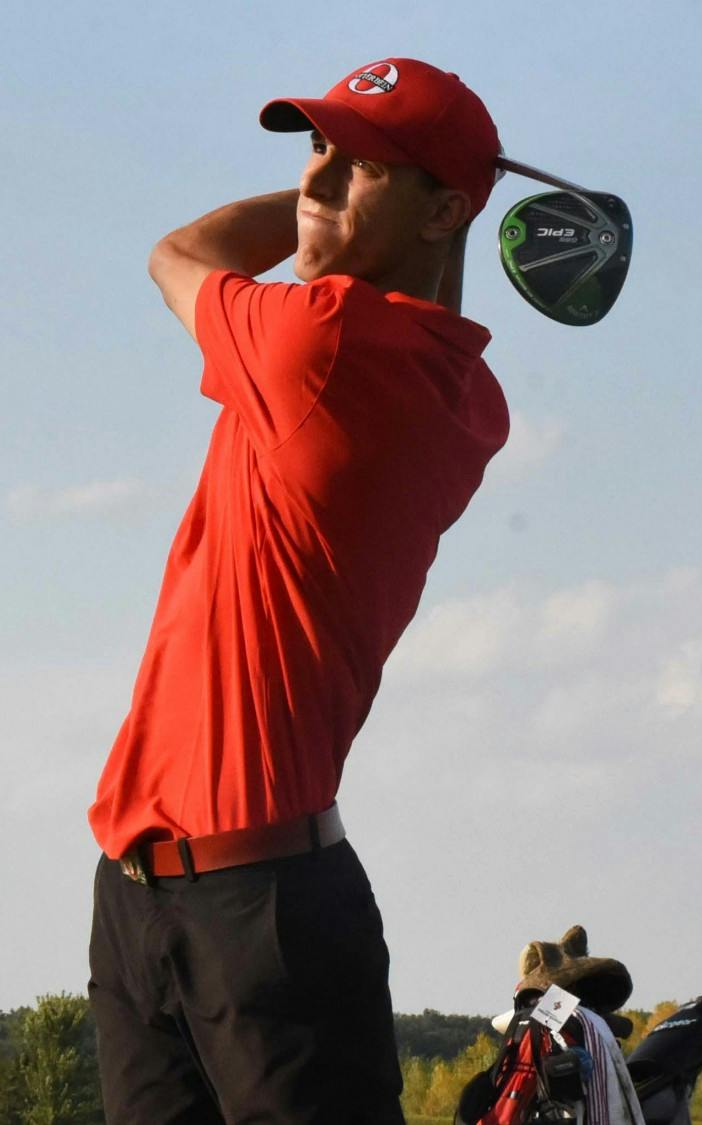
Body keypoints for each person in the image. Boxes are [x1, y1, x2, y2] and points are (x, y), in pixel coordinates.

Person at [84, 57, 509, 1123]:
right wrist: (362, 203)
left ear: (444, 208)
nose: (317, 179)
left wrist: (314, 221)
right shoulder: (450, 379)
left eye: (363, 165)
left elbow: (180, 251)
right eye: (313, 152)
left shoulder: (318, 341)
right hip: (146, 887)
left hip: (259, 906)